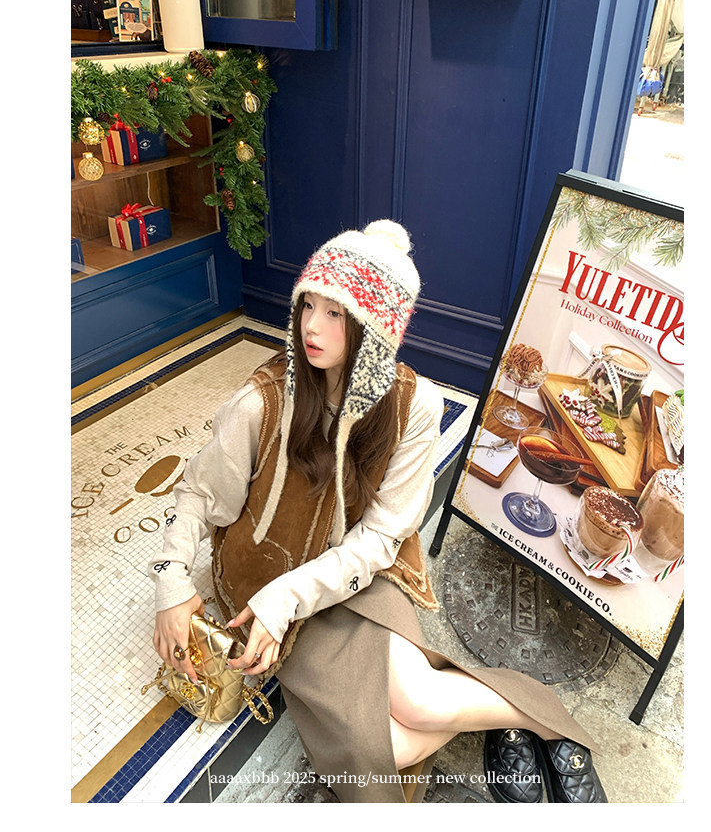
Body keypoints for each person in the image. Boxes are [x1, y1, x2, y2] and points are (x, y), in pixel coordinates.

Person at [149, 220, 607, 804]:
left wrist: (290, 596)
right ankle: (510, 716)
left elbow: (382, 535)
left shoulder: (414, 406)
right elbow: (197, 491)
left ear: (376, 328)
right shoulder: (261, 402)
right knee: (382, 747)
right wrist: (171, 583)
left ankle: (550, 727)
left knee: (418, 701)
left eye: (335, 313)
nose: (311, 326)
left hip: (357, 573)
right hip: (270, 579)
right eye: (308, 304)